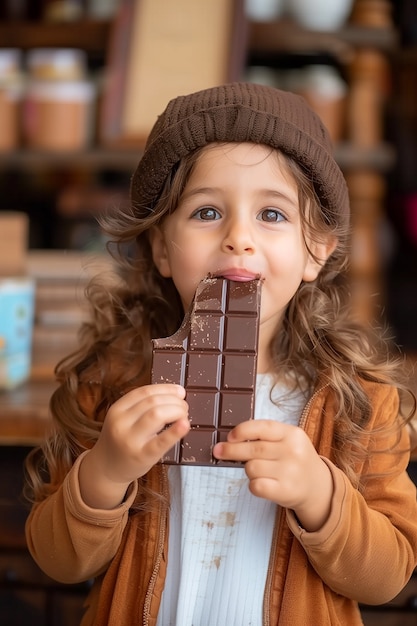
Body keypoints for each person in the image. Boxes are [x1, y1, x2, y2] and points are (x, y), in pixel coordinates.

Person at [25, 82, 417, 626]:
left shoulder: (361, 404)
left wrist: (320, 494)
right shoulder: (115, 386)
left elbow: (388, 578)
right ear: (162, 247)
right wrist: (106, 473)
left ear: (318, 251)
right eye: (207, 212)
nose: (238, 237)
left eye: (273, 215)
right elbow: (59, 563)